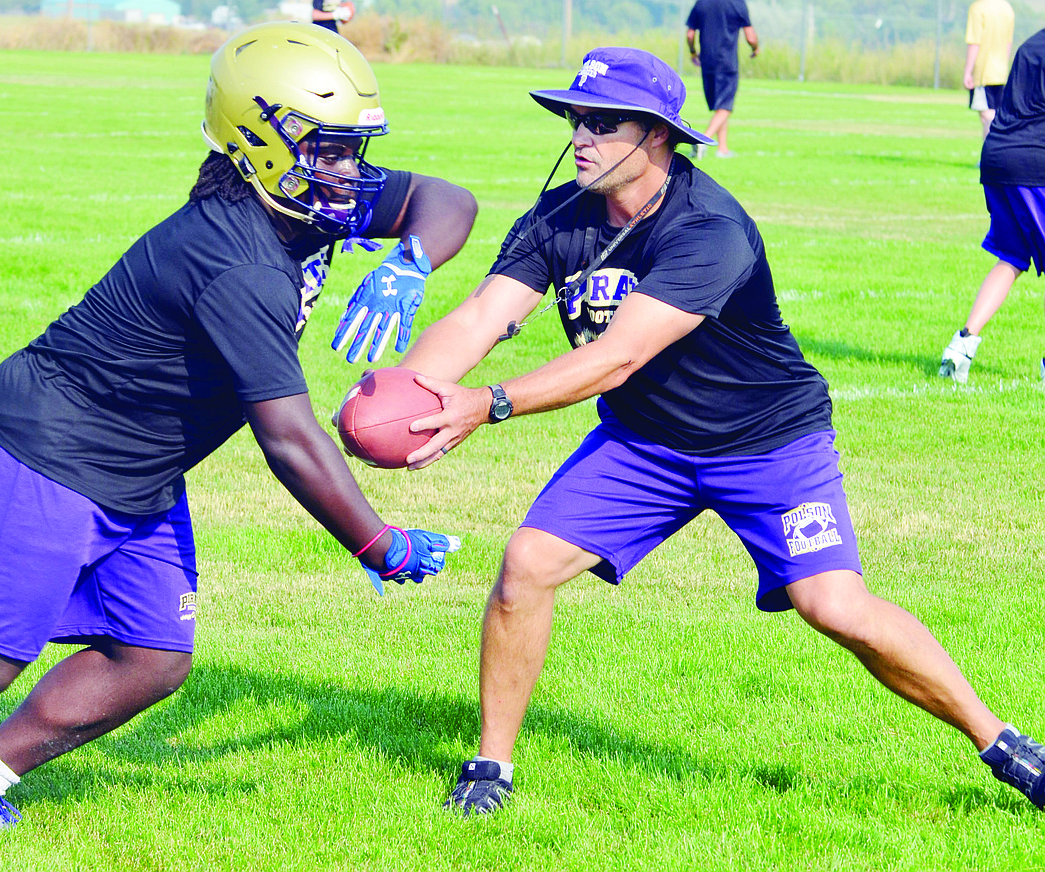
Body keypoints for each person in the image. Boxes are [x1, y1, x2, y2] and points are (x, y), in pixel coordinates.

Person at [391, 46, 1045, 816]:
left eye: (604, 123)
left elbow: (616, 357)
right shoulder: (558, 217)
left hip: (768, 443)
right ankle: (490, 768)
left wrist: (489, 404)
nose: (581, 137)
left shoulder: (710, 228)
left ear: (659, 136)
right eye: (575, 119)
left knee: (835, 607)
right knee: (526, 565)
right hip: (646, 446)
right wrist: (413, 394)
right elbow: (477, 319)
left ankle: (1004, 746)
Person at [0, 22, 473, 830]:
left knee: (151, 653)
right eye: (328, 149)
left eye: (353, 148)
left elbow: (445, 200)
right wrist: (378, 542)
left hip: (138, 468)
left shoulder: (300, 200)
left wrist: (411, 260)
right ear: (261, 145)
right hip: (47, 450)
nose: (349, 172)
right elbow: (291, 442)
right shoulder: (240, 261)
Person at [940, 28, 1045, 384]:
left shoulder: (1033, 43)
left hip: (997, 156)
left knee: (1012, 257)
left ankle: (962, 345)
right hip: (1033, 164)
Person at [685, 0, 758, 158]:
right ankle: (702, 141)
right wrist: (755, 48)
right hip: (726, 62)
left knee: (719, 107)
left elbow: (690, 34)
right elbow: (750, 37)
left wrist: (692, 52)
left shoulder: (701, 3)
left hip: (707, 62)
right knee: (725, 105)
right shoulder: (737, 3)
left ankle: (723, 149)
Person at [963, 0, 1015, 143]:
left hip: (984, 71)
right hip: (1001, 71)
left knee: (988, 116)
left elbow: (975, 42)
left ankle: (990, 157)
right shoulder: (1007, 8)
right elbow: (1008, 42)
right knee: (992, 114)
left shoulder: (978, 8)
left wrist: (968, 71)